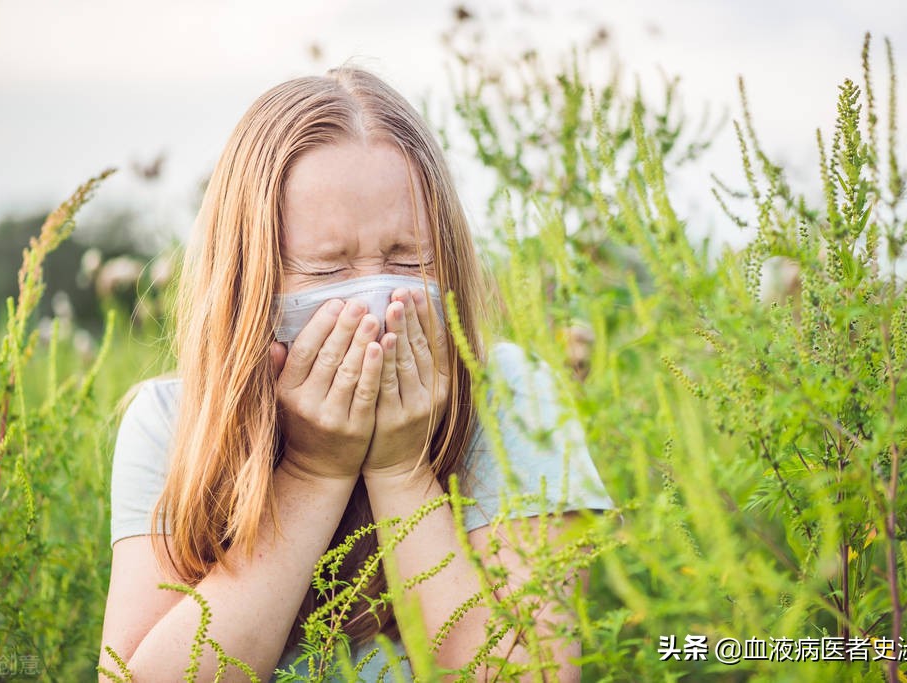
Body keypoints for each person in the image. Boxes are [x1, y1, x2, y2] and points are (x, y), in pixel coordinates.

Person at [98, 67, 614, 682]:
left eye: (406, 259)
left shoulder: (510, 396)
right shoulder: (173, 422)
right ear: (250, 282)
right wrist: (315, 472)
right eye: (325, 269)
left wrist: (400, 470)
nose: (376, 302)